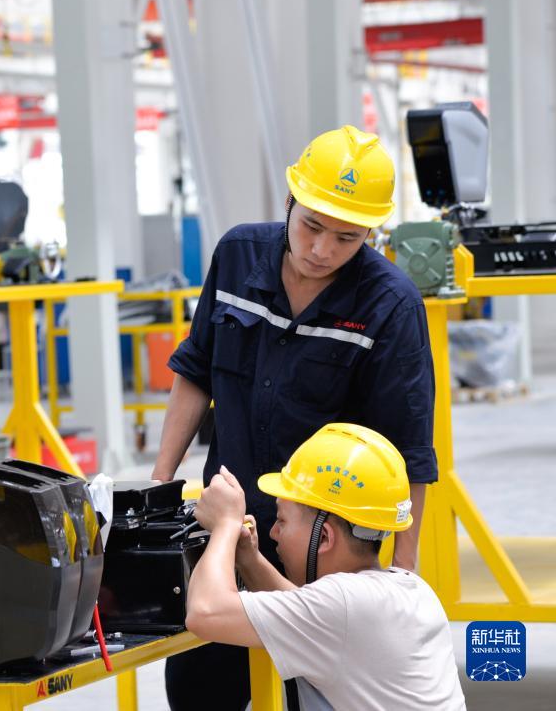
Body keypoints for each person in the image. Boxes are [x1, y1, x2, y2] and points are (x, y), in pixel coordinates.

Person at [154, 125, 437, 709]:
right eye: (311, 225)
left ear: (370, 233)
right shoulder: (236, 257)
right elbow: (195, 371)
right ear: (289, 201)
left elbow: (409, 451)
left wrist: (400, 579)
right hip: (224, 527)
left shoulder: (390, 304)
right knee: (200, 688)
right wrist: (160, 484)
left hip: (322, 552)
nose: (322, 249)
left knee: (309, 697)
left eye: (346, 237)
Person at [185, 423, 465, 710]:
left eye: (282, 521)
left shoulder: (343, 604)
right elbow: (307, 613)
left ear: (325, 537)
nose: (274, 533)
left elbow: (205, 612)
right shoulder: (410, 590)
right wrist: (249, 558)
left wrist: (225, 524)